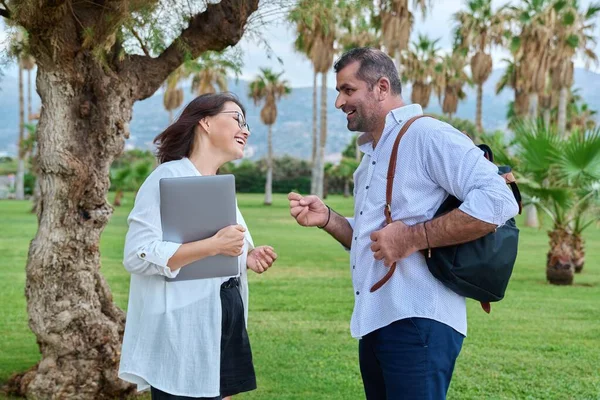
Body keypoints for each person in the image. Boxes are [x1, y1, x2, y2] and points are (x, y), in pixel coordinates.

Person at [288, 48, 519, 399]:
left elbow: (500, 201)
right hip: (378, 320)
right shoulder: (370, 157)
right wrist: (330, 219)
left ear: (381, 87)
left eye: (348, 90)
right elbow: (377, 239)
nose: (338, 102)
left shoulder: (427, 135)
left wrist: (414, 237)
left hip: (418, 321)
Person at [119, 93, 278, 400]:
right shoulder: (167, 178)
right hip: (183, 330)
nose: (245, 130)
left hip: (223, 317)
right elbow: (136, 255)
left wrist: (247, 256)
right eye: (237, 119)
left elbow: (223, 249)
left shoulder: (217, 183)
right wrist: (212, 245)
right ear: (205, 122)